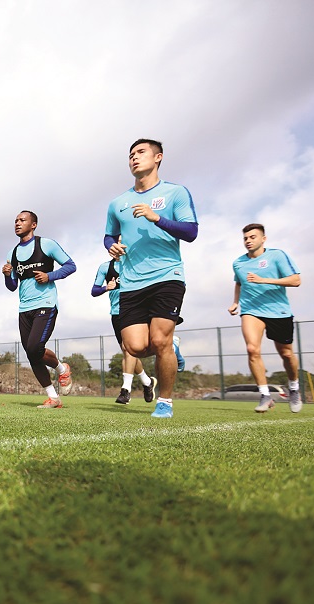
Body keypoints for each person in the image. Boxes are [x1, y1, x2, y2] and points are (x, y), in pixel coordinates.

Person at [105, 139, 198, 418]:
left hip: (167, 275)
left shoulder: (175, 193)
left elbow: (191, 232)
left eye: (141, 153)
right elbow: (109, 233)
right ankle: (173, 346)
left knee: (160, 341)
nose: (134, 158)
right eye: (131, 155)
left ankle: (165, 403)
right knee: (133, 346)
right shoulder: (118, 203)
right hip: (131, 282)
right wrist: (111, 245)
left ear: (158, 157)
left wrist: (157, 218)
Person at [2, 210, 76, 408]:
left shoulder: (47, 244)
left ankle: (62, 368)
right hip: (24, 308)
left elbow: (71, 265)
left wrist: (49, 276)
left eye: (22, 220)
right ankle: (53, 397)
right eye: (16, 220)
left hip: (46, 303)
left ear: (33, 224)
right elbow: (12, 287)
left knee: (34, 347)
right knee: (31, 353)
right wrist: (7, 275)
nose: (17, 223)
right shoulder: (12, 254)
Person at [228, 223, 303, 413]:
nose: (248, 241)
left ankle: (294, 388)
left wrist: (264, 280)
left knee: (286, 353)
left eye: (252, 237)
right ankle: (265, 395)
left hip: (278, 311)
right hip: (251, 310)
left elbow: (295, 280)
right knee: (252, 349)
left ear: (263, 239)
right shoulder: (238, 263)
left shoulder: (277, 255)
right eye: (245, 238)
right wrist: (236, 302)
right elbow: (239, 282)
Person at [91, 258, 157, 404]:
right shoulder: (105, 267)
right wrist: (105, 288)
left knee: (128, 349)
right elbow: (94, 291)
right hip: (116, 314)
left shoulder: (137, 262)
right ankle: (147, 382)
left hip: (136, 311)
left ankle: (125, 390)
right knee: (129, 351)